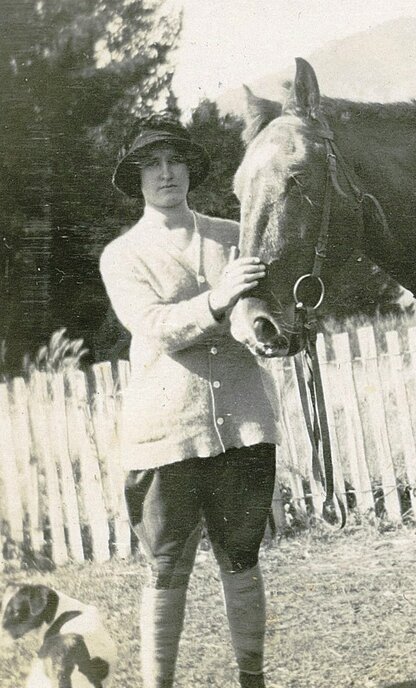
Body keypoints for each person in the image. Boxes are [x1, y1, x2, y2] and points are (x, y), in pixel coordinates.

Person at [100, 114, 278, 688]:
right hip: (165, 431)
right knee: (166, 566)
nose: (165, 173)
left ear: (190, 169)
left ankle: (252, 679)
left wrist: (275, 329)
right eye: (150, 164)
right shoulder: (122, 256)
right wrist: (219, 298)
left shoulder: (235, 237)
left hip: (244, 423)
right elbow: (153, 326)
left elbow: (263, 316)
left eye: (174, 160)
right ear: (136, 179)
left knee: (242, 558)